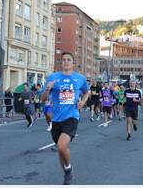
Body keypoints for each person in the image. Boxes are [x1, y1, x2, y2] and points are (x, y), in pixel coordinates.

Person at [41, 52, 90, 185]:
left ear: (73, 63)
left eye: (69, 60)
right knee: (60, 150)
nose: (66, 62)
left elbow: (87, 92)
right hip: (56, 119)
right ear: (61, 62)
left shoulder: (80, 78)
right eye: (63, 60)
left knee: (62, 146)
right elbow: (42, 99)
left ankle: (68, 170)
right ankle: (66, 171)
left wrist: (83, 102)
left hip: (72, 116)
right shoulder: (53, 78)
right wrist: (47, 90)